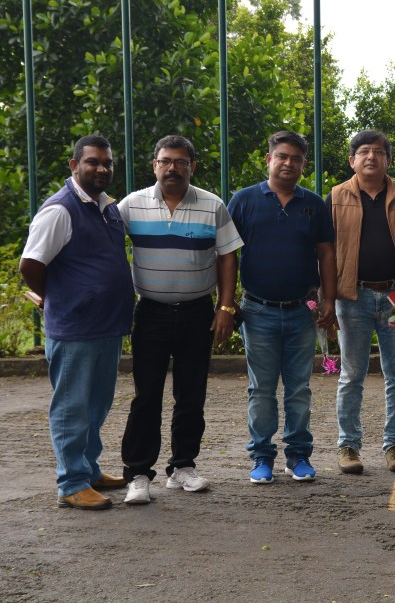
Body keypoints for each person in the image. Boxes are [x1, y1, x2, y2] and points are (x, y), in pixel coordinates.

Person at [117, 135, 243, 505]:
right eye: (166, 161)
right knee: (146, 397)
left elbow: (227, 257)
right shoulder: (131, 206)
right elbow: (103, 247)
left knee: (191, 395)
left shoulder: (212, 205)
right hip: (151, 313)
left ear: (192, 166)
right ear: (154, 165)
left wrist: (225, 308)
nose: (172, 168)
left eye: (180, 162)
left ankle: (182, 466)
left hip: (197, 313)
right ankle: (138, 473)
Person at [19, 135, 135, 510]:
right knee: (72, 408)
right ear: (75, 166)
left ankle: (88, 470)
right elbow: (30, 264)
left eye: (107, 163)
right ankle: (71, 483)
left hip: (106, 326)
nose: (101, 168)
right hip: (75, 330)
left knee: (96, 405)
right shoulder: (60, 210)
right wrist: (56, 298)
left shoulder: (107, 208)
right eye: (93, 162)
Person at [228, 131, 337, 484]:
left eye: (296, 159)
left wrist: (329, 299)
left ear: (304, 164)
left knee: (299, 389)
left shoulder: (313, 204)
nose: (289, 163)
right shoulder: (243, 201)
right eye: (282, 156)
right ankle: (262, 456)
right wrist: (226, 302)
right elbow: (226, 254)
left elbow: (326, 253)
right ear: (269, 159)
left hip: (302, 311)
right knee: (261, 390)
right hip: (257, 311)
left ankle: (298, 455)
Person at [330, 130, 395, 474]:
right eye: (363, 151)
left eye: (378, 151)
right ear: (352, 160)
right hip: (351, 297)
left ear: (388, 160)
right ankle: (348, 446)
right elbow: (324, 250)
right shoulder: (336, 196)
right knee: (351, 375)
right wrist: (324, 297)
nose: (371, 157)